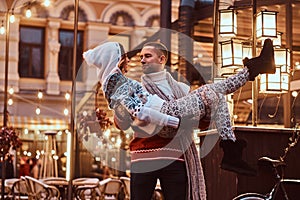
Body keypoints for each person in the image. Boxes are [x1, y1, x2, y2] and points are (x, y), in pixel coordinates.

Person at [83, 40, 275, 199]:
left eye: (147, 56)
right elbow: (125, 121)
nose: (142, 61)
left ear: (162, 59)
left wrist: (201, 117)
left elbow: (197, 121)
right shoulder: (135, 86)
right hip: (144, 157)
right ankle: (254, 70)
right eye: (140, 57)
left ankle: (231, 150)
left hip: (174, 156)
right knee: (212, 91)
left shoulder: (181, 89)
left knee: (215, 95)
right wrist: (118, 113)